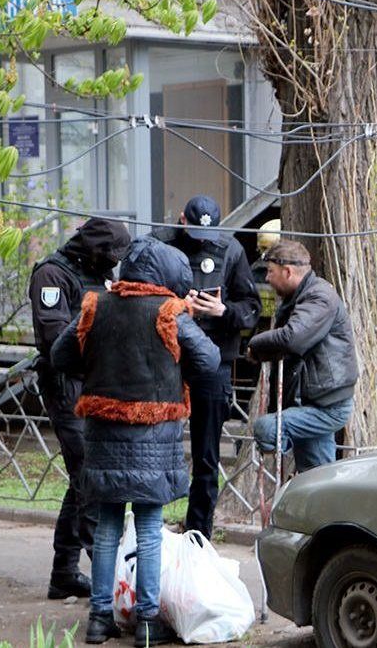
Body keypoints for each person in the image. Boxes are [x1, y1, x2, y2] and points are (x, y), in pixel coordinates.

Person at [50, 237, 219, 646]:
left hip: (103, 434)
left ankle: (98, 620)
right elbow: (210, 361)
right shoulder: (170, 312)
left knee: (107, 526)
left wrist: (96, 366)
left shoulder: (95, 305)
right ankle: (146, 621)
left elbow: (60, 356)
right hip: (154, 437)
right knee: (148, 527)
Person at [29, 218, 131, 601]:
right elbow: (54, 337)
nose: (113, 263)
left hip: (96, 384)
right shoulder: (52, 275)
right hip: (66, 386)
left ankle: (64, 574)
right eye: (109, 254)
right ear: (92, 247)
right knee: (90, 475)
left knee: (82, 478)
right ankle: (113, 582)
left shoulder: (99, 271)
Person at [150, 195, 260, 540]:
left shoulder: (230, 249)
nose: (200, 240)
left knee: (207, 455)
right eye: (194, 231)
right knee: (152, 446)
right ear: (181, 219)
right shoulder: (159, 243)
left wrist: (222, 311)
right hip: (168, 357)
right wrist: (176, 308)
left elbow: (251, 308)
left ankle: (199, 534)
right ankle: (152, 530)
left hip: (213, 360)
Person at [247, 240, 358, 472]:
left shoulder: (319, 297)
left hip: (327, 405)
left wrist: (256, 346)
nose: (266, 278)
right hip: (312, 400)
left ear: (287, 271)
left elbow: (293, 338)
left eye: (270, 272)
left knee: (267, 428)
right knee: (316, 474)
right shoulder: (300, 297)